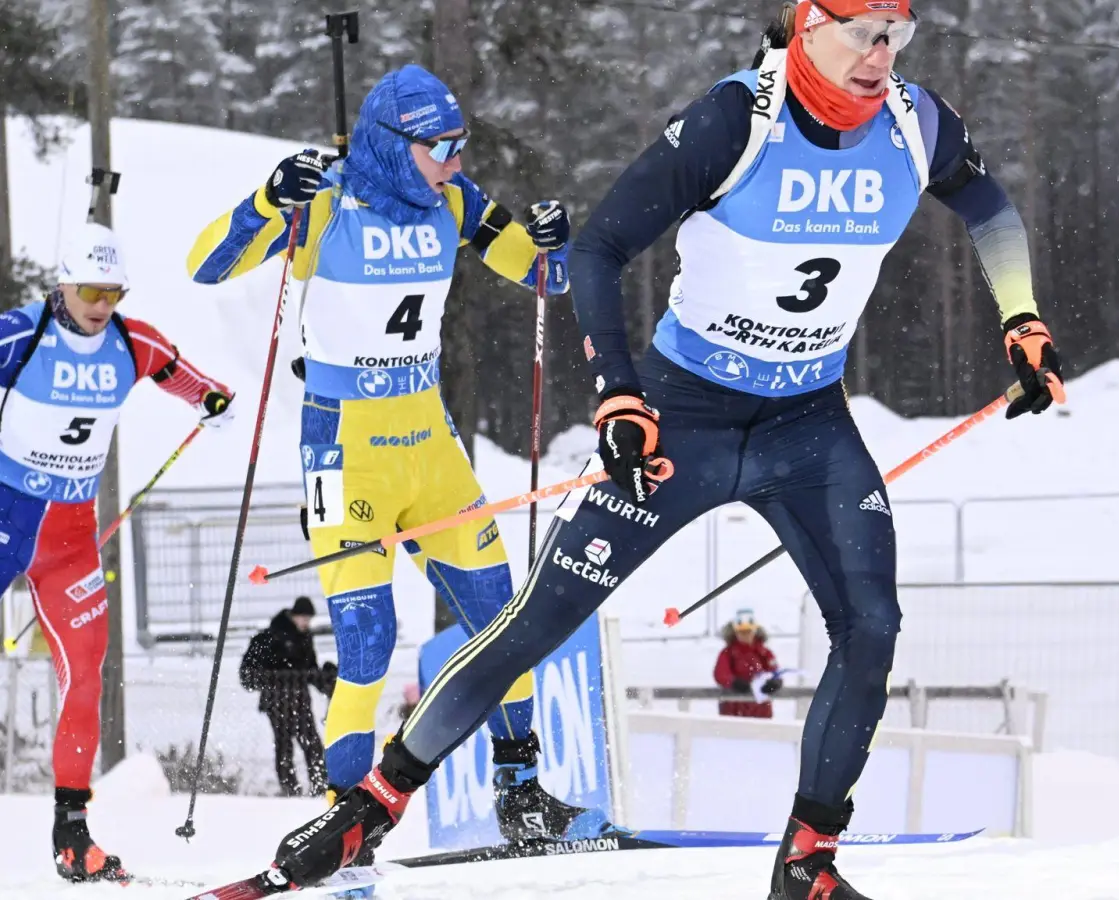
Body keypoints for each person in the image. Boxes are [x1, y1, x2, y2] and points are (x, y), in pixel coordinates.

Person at [264, 4, 1066, 899]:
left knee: (871, 627)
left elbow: (989, 206)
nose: (883, 56)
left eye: (897, 35)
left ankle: (808, 861)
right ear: (809, 28)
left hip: (807, 423)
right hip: (684, 417)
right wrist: (618, 392)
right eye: (863, 33)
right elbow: (602, 248)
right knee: (538, 621)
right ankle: (370, 804)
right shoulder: (736, 119)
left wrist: (1020, 318)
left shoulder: (918, 124)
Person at [186, 63, 585, 864]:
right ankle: (347, 818)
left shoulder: (454, 201)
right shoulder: (326, 200)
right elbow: (208, 264)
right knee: (367, 641)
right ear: (395, 144)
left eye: (461, 142)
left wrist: (553, 238)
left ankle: (522, 792)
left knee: (503, 618)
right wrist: (269, 198)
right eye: (442, 145)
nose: (457, 160)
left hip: (428, 441)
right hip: (346, 448)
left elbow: (544, 275)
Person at [0, 223, 234, 882]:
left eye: (113, 290)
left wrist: (212, 400)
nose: (101, 303)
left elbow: (184, 375)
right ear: (63, 284)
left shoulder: (132, 342)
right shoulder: (22, 333)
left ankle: (72, 836)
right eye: (90, 289)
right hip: (6, 518)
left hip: (72, 539)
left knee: (85, 673)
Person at [240, 595, 337, 797]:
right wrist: (278, 678)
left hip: (299, 699)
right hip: (276, 700)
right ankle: (291, 789)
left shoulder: (304, 637)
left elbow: (309, 669)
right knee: (285, 745)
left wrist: (327, 683)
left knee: (311, 744)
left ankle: (319, 786)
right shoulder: (271, 637)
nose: (305, 623)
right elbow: (250, 674)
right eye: (303, 618)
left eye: (308, 619)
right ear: (293, 616)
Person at [715, 609, 784, 719]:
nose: (745, 635)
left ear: (754, 631)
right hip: (734, 711)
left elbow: (775, 671)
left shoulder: (765, 653)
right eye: (741, 632)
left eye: (748, 631)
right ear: (735, 633)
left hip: (761, 711)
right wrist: (734, 683)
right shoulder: (728, 653)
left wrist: (775, 682)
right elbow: (721, 674)